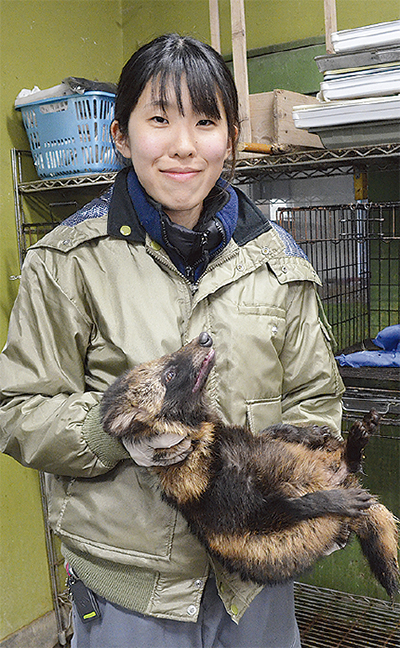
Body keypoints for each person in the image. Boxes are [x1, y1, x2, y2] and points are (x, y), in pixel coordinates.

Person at [0, 34, 344, 648]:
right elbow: (19, 409)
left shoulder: (279, 263)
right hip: (130, 582)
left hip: (256, 574)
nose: (184, 145)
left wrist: (292, 483)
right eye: (159, 119)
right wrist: (114, 429)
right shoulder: (67, 263)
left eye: (206, 122)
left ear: (231, 138)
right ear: (121, 136)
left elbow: (316, 398)